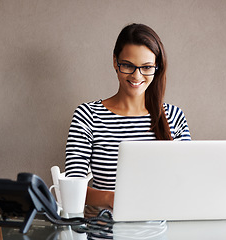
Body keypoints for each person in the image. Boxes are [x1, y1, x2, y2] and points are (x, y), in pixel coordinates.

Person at [64, 23, 191, 210]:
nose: (137, 75)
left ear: (157, 68)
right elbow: (73, 189)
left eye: (146, 67)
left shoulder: (174, 117)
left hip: (162, 229)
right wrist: (112, 199)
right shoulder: (88, 116)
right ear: (115, 62)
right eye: (128, 65)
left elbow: (187, 183)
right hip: (104, 232)